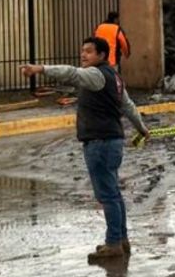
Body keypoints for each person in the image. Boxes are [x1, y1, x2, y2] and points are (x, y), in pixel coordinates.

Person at [20, 37, 150, 262]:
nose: (83, 55)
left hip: (99, 142)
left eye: (89, 52)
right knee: (114, 193)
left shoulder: (96, 75)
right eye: (82, 51)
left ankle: (113, 244)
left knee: (108, 195)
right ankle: (120, 239)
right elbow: (127, 106)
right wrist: (142, 128)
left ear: (101, 56)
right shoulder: (115, 78)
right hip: (111, 140)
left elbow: (72, 74)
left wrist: (40, 68)